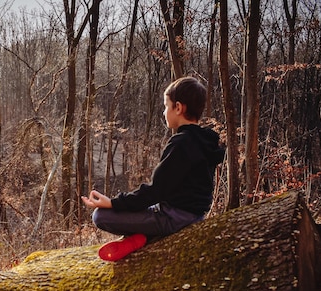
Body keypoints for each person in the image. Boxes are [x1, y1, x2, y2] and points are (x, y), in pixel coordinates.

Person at [82, 76, 225, 261]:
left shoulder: (181, 144)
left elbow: (155, 191)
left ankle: (142, 237)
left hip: (173, 218)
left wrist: (113, 203)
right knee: (143, 210)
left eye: (166, 106)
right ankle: (140, 238)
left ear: (179, 108)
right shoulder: (206, 143)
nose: (164, 112)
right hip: (194, 216)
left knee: (100, 216)